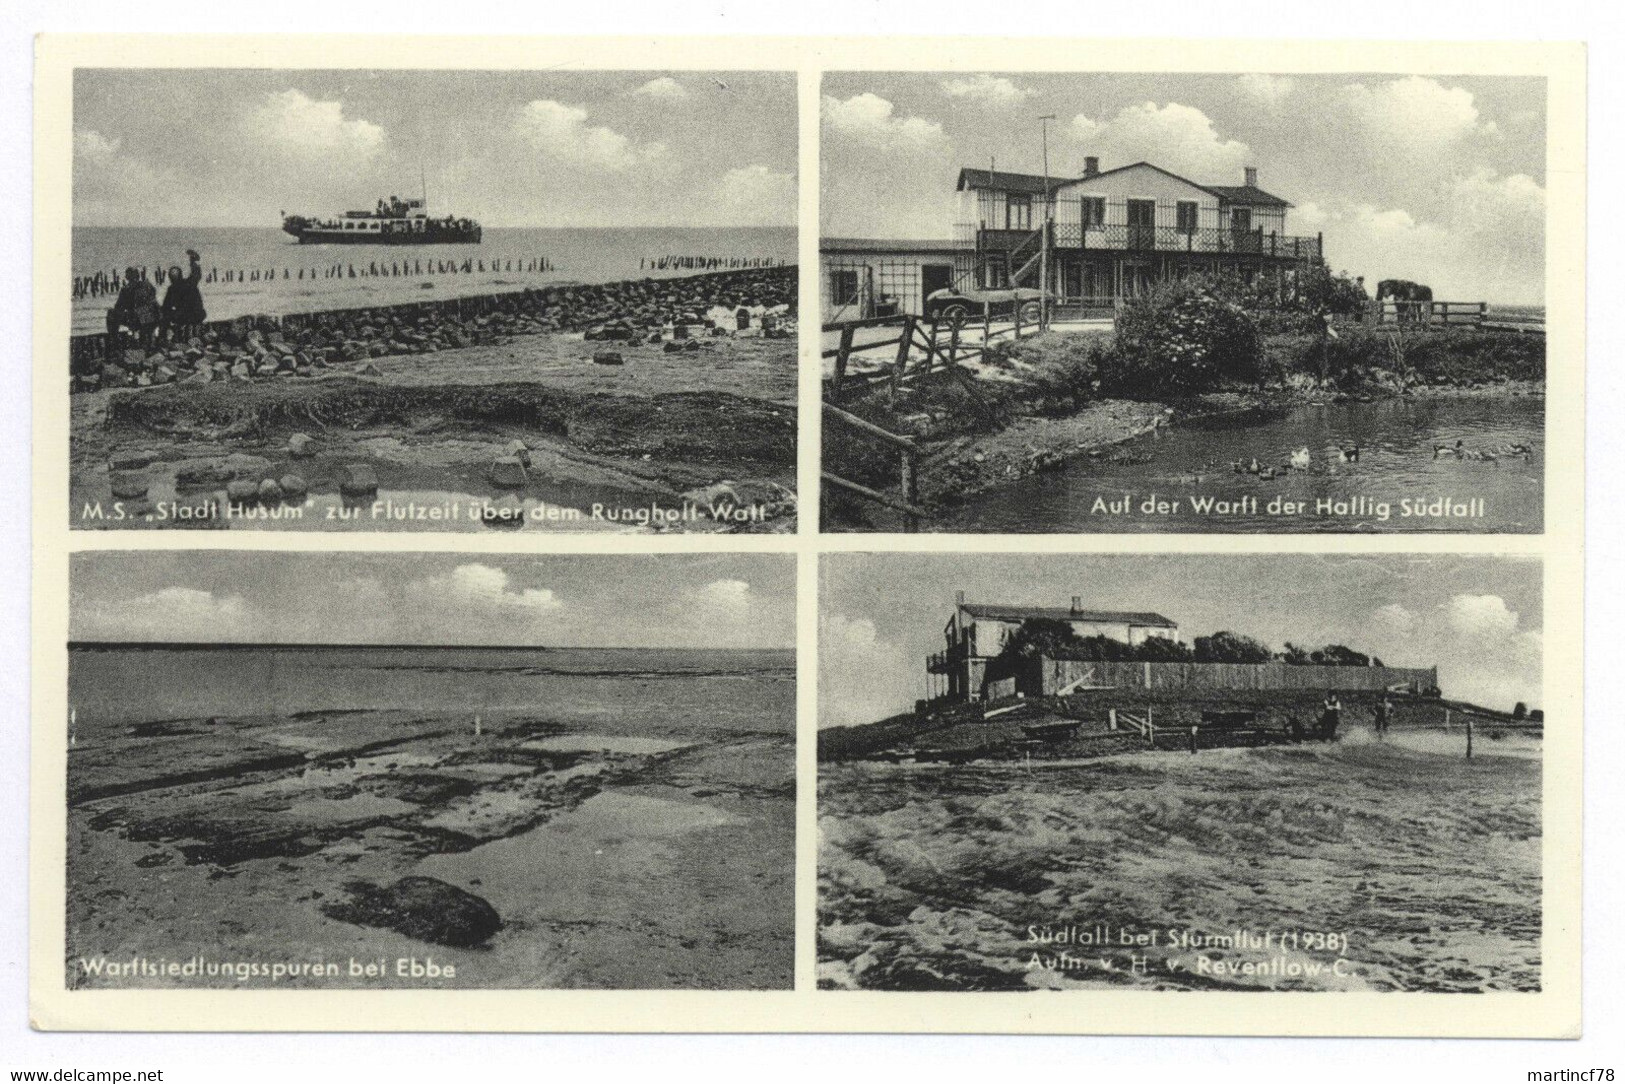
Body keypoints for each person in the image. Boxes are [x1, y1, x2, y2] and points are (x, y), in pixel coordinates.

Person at [105, 266, 159, 353]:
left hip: (137, 320)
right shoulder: (148, 286)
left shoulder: (126, 289)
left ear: (127, 278)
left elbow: (118, 308)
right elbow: (154, 303)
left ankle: (115, 343)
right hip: (151, 320)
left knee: (111, 314)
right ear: (138, 276)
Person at [159, 249, 206, 343]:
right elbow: (196, 274)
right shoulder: (190, 283)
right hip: (198, 315)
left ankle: (164, 339)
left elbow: (166, 306)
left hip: (184, 317)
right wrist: (193, 261)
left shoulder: (172, 289)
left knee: (167, 316)